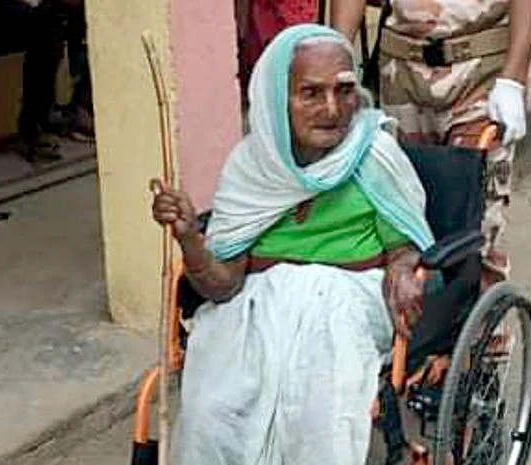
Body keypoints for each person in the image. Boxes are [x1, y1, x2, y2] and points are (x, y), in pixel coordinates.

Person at [151, 24, 434, 465]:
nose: (332, 108)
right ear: (275, 99)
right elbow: (223, 286)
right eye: (310, 93)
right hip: (256, 311)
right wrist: (190, 237)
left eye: (344, 91)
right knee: (213, 410)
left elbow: (404, 245)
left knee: (319, 407)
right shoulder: (250, 169)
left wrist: (401, 267)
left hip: (345, 305)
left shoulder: (375, 154)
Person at [332, 0, 531, 286]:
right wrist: (336, 64)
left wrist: (513, 79)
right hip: (400, 72)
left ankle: (485, 321)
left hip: (479, 72)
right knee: (401, 217)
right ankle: (421, 320)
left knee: (472, 226)